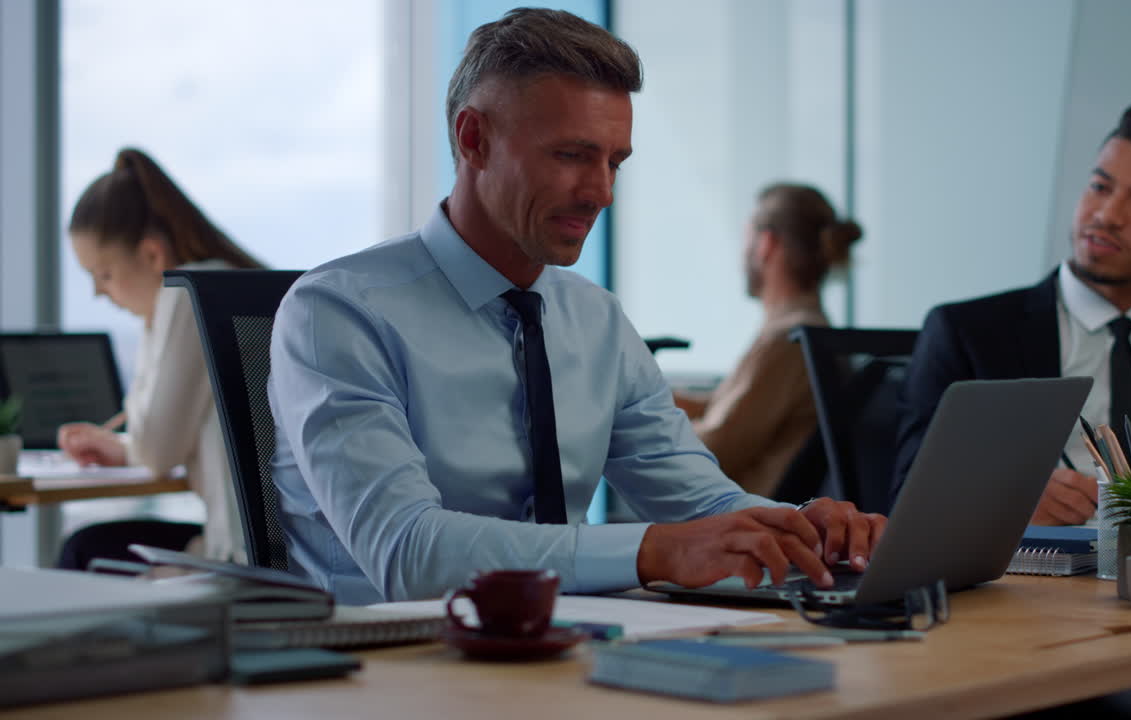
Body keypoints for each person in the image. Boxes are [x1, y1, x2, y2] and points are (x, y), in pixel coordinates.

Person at [268, 8, 886, 605]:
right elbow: (407, 552)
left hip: (571, 647)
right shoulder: (337, 313)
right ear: (473, 138)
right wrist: (652, 552)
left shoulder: (595, 318)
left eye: (614, 162)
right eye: (571, 155)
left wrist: (806, 531)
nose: (600, 192)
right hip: (386, 669)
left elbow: (699, 504)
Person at [894, 103, 1131, 719]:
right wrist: (1003, 494)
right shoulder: (970, 330)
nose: (1106, 214)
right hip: (1018, 609)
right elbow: (908, 485)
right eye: (1100, 186)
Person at [57, 147, 263, 569]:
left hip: (238, 558)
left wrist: (152, 322)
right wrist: (122, 447)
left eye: (104, 274)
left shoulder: (188, 295)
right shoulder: (231, 283)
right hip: (283, 554)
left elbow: (156, 450)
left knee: (82, 551)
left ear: (152, 255)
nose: (100, 293)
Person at [673, 184, 861, 497]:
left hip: (744, 523)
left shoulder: (789, 341)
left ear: (766, 244)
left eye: (746, 238)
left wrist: (640, 429)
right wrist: (658, 400)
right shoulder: (806, 332)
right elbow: (728, 407)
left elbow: (713, 450)